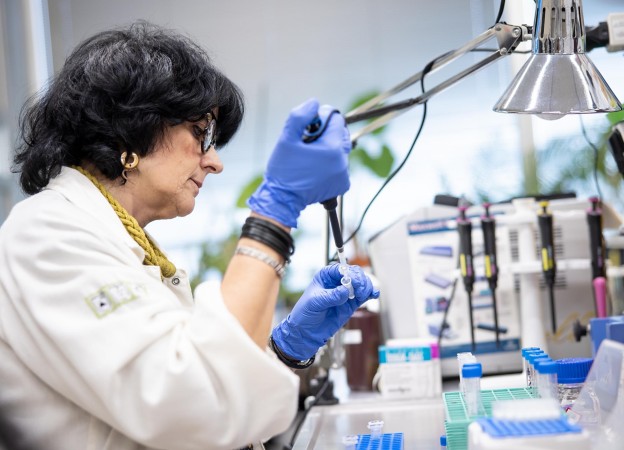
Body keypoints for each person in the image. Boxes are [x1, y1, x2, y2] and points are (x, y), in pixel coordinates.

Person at [0, 21, 378, 450]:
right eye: (201, 135)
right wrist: (274, 214)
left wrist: (286, 349)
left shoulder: (124, 240)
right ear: (132, 129)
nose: (214, 162)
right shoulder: (47, 233)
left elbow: (207, 391)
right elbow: (190, 405)